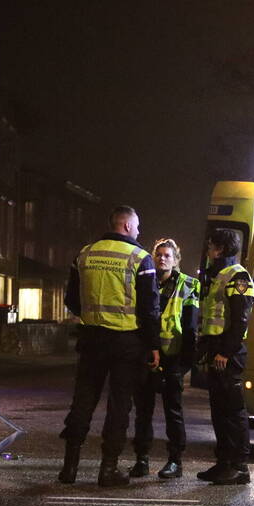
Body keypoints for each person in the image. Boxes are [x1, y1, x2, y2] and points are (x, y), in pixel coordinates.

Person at [60, 205, 160, 487]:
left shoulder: (85, 254)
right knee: (119, 407)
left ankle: (69, 469)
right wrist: (153, 344)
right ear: (127, 226)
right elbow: (150, 308)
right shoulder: (140, 257)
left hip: (91, 338)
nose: (138, 232)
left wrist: (92, 315)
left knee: (83, 401)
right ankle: (108, 470)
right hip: (126, 343)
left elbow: (71, 298)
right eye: (137, 227)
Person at [129, 238, 200, 480]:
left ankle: (175, 461)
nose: (162, 258)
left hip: (173, 357)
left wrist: (185, 364)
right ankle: (141, 459)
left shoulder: (189, 284)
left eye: (167, 255)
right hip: (147, 355)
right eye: (158, 254)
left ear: (176, 260)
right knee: (143, 411)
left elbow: (191, 327)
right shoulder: (144, 281)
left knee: (173, 411)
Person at [196, 228, 254, 485]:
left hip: (228, 354)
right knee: (219, 410)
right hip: (217, 351)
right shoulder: (219, 276)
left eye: (211, 247)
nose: (208, 252)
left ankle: (239, 466)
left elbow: (240, 321)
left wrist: (224, 352)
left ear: (219, 249)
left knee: (233, 410)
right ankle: (224, 462)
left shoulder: (238, 277)